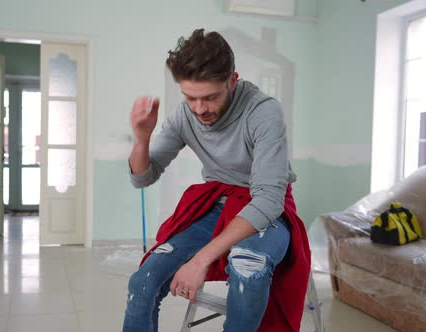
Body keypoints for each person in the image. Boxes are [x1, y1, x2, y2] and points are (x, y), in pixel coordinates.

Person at [122, 29, 310, 332]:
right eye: (191, 97)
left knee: (248, 268)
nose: (199, 109)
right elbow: (144, 176)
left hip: (266, 211)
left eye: (210, 97)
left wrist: (200, 261)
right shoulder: (185, 114)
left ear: (232, 81)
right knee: (142, 281)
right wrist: (142, 139)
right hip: (216, 207)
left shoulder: (263, 112)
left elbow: (267, 201)